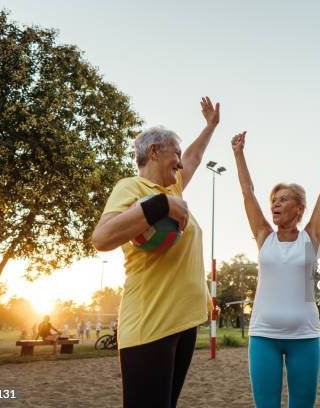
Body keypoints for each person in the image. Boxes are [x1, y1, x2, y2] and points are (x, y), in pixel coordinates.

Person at [92, 97, 219, 408]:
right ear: (153, 152)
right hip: (151, 324)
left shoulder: (172, 190)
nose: (179, 160)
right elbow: (102, 237)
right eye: (174, 153)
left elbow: (194, 156)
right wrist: (160, 206)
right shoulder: (133, 188)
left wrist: (211, 126)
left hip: (183, 322)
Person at [232, 128, 320, 407]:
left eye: (283, 199)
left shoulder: (311, 238)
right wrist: (238, 153)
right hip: (263, 337)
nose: (276, 203)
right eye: (274, 200)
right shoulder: (263, 237)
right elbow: (247, 192)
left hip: (304, 337)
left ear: (299, 208)